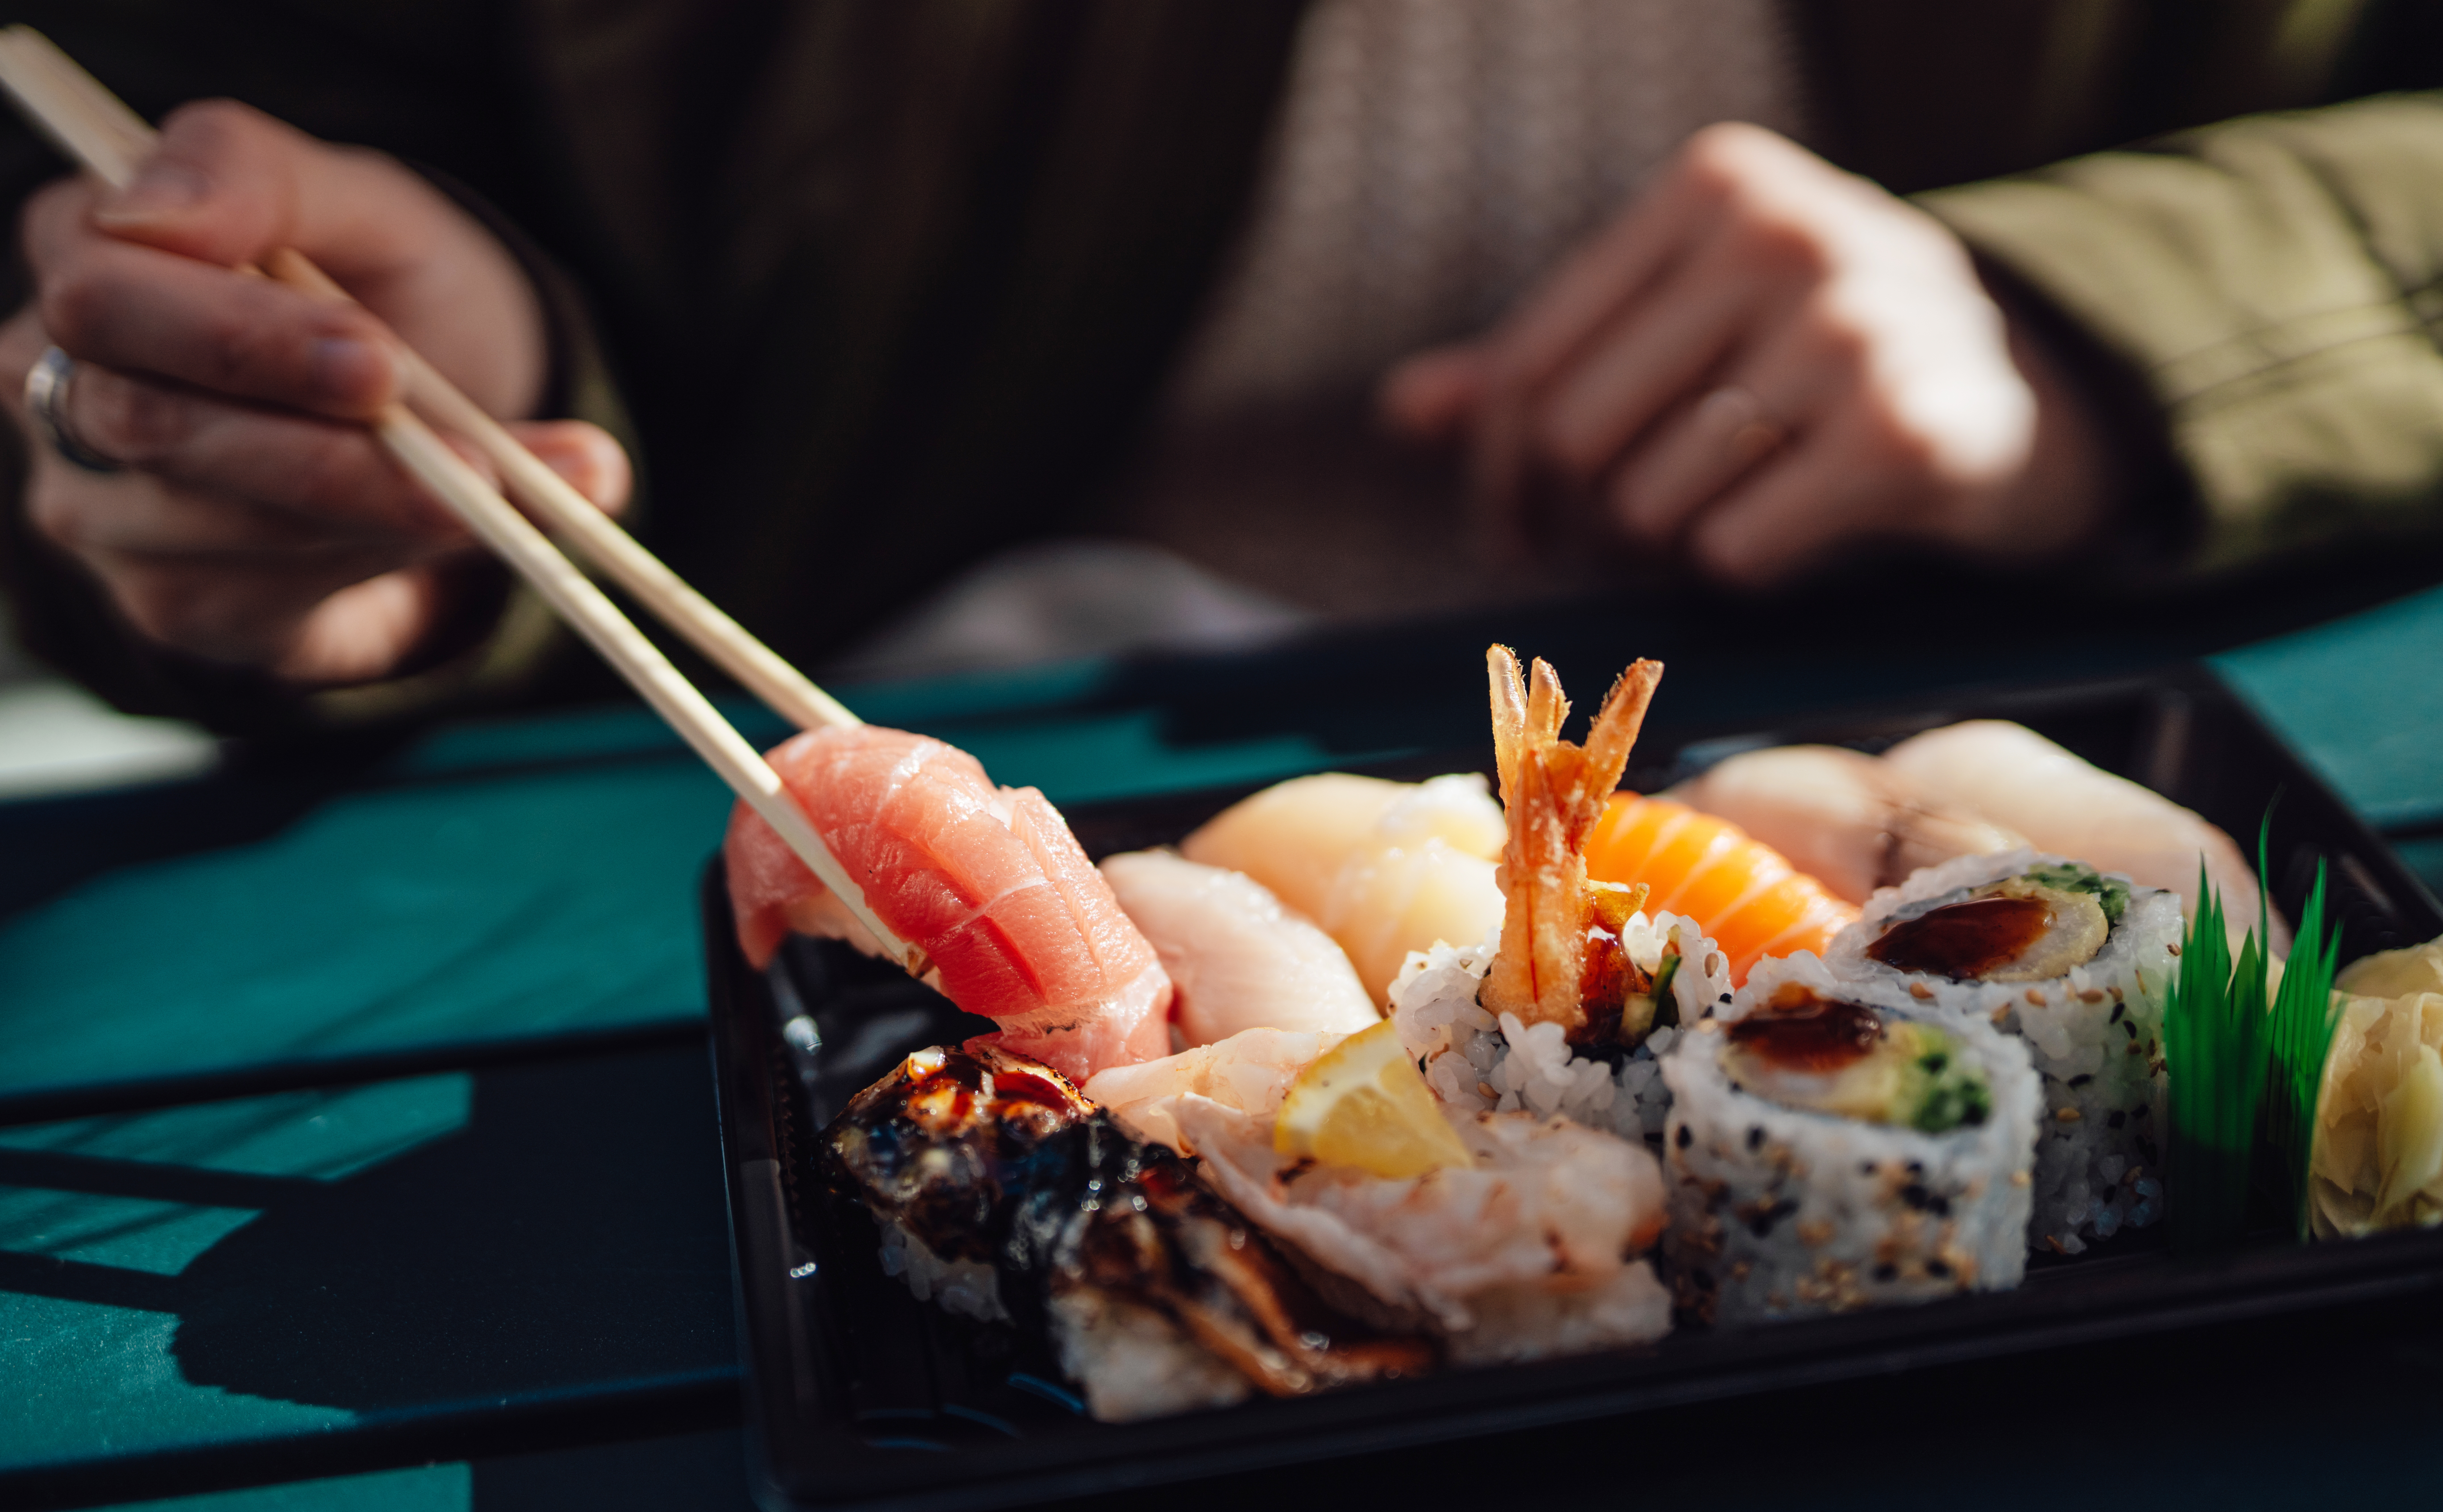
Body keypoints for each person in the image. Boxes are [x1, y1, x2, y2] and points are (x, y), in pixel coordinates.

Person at [2, 1, 2440, 734]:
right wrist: (414, 435)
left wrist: (2120, 331)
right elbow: (209, 149)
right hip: (767, 819)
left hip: (2045, 710)